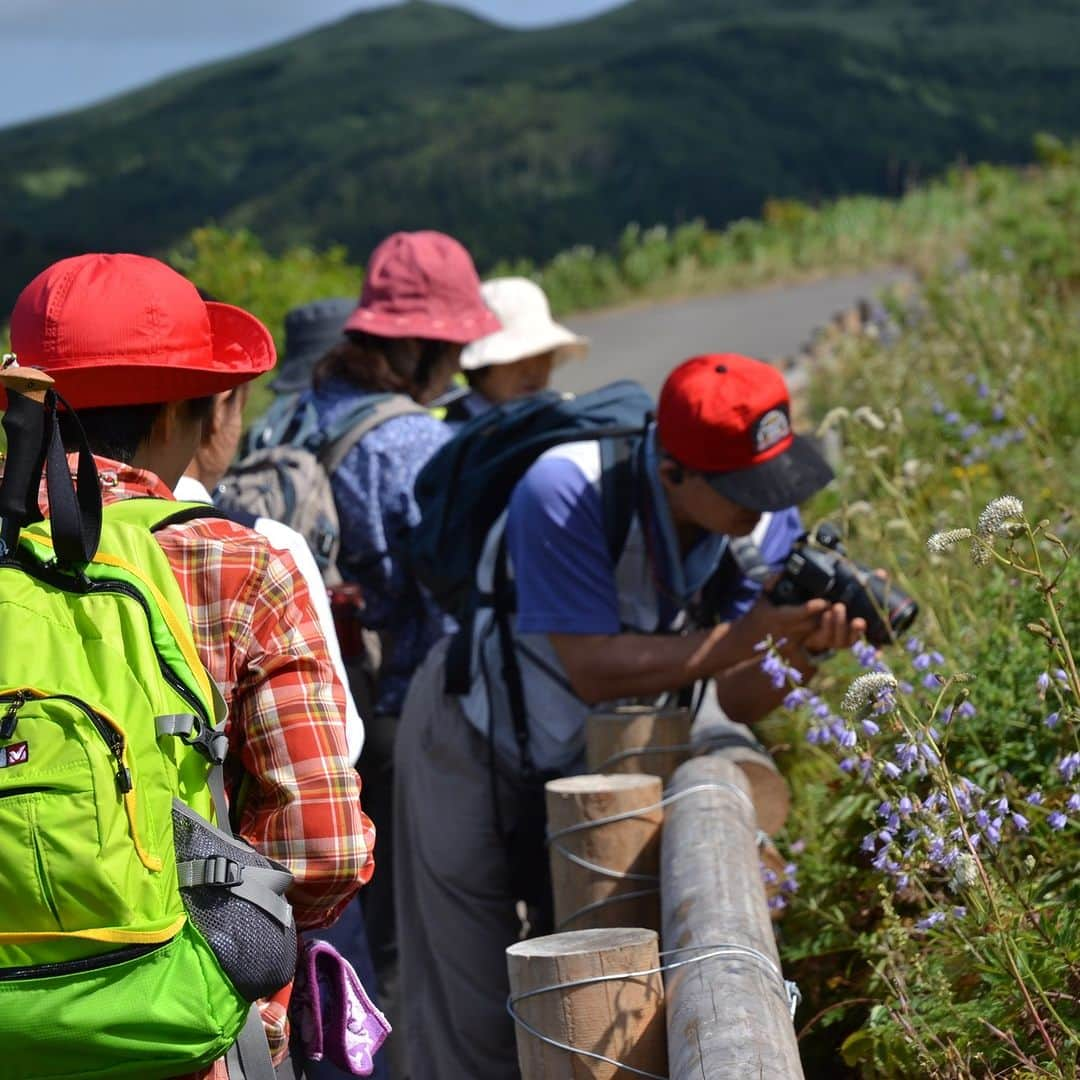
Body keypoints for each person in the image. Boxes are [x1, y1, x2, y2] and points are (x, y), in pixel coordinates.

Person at [394, 353, 867, 1079]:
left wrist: (803, 654)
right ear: (673, 469)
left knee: (588, 995)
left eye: (773, 481)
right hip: (469, 730)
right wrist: (747, 636)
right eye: (744, 488)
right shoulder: (569, 486)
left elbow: (738, 695)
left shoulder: (761, 520)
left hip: (591, 757)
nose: (766, 506)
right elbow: (591, 668)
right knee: (476, 1000)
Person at [8, 252, 374, 1080]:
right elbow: (324, 847)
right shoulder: (237, 566)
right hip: (179, 1029)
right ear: (181, 409)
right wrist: (232, 963)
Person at [307, 229, 500, 1074]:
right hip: (402, 711)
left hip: (319, 709)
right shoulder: (415, 444)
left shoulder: (303, 408)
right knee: (420, 936)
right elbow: (452, 593)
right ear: (419, 343)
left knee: (342, 937)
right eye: (453, 346)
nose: (458, 365)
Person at [174, 382, 365, 765]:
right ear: (220, 406)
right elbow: (335, 741)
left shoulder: (24, 533)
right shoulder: (267, 547)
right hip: (216, 821)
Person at [445, 276, 587, 423]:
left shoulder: (556, 416)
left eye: (541, 354)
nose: (532, 371)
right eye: (516, 360)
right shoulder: (455, 435)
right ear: (481, 368)